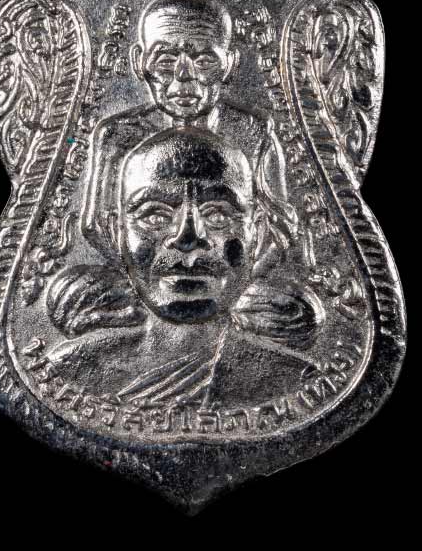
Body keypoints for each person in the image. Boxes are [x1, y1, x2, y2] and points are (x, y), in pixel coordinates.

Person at [47, 128, 322, 407]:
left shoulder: (294, 381)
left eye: (218, 214)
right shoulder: (70, 372)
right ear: (117, 233)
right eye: (155, 215)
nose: (188, 237)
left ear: (258, 233)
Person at [82, 0, 295, 262]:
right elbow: (96, 227)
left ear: (230, 64)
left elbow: (280, 230)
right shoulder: (119, 136)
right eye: (166, 60)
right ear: (139, 62)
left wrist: (235, 282)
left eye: (204, 61)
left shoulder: (252, 133)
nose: (183, 75)